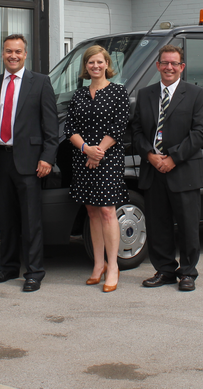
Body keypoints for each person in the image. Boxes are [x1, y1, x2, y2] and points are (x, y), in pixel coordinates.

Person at [0, 34, 59, 292]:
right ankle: (8, 267)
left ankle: (34, 272)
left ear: (25, 55)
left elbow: (51, 126)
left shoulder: (41, 83)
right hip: (0, 159)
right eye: (9, 51)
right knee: (7, 218)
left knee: (31, 219)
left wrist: (47, 157)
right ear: (2, 54)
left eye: (18, 51)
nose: (13, 55)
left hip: (30, 162)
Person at [129, 44, 203, 292]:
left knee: (187, 226)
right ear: (158, 66)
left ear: (182, 67)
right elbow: (137, 131)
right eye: (165, 63)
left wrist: (173, 158)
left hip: (183, 170)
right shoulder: (145, 94)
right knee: (158, 225)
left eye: (174, 63)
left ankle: (187, 273)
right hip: (153, 171)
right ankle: (164, 270)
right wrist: (151, 156)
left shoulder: (197, 94)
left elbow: (200, 133)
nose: (169, 67)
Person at [65, 45, 129, 292]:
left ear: (107, 64)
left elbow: (118, 126)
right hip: (83, 159)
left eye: (99, 62)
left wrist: (97, 152)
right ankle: (98, 264)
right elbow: (70, 129)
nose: (95, 66)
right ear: (86, 66)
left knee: (106, 211)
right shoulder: (79, 95)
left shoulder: (118, 92)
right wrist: (86, 151)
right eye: (90, 62)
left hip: (108, 160)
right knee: (91, 212)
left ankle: (113, 266)